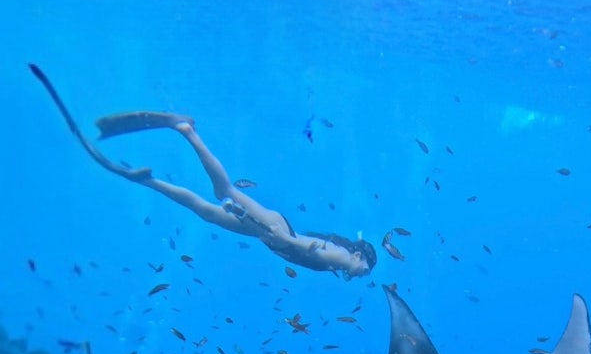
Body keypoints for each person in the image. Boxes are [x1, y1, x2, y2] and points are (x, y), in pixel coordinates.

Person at [29, 65, 377, 279]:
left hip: (271, 232)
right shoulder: (341, 256)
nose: (363, 275)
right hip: (274, 229)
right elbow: (300, 245)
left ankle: (148, 180)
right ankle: (186, 130)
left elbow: (303, 248)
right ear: (360, 257)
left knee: (206, 210)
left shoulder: (339, 262)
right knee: (224, 191)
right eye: (366, 269)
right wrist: (263, 228)